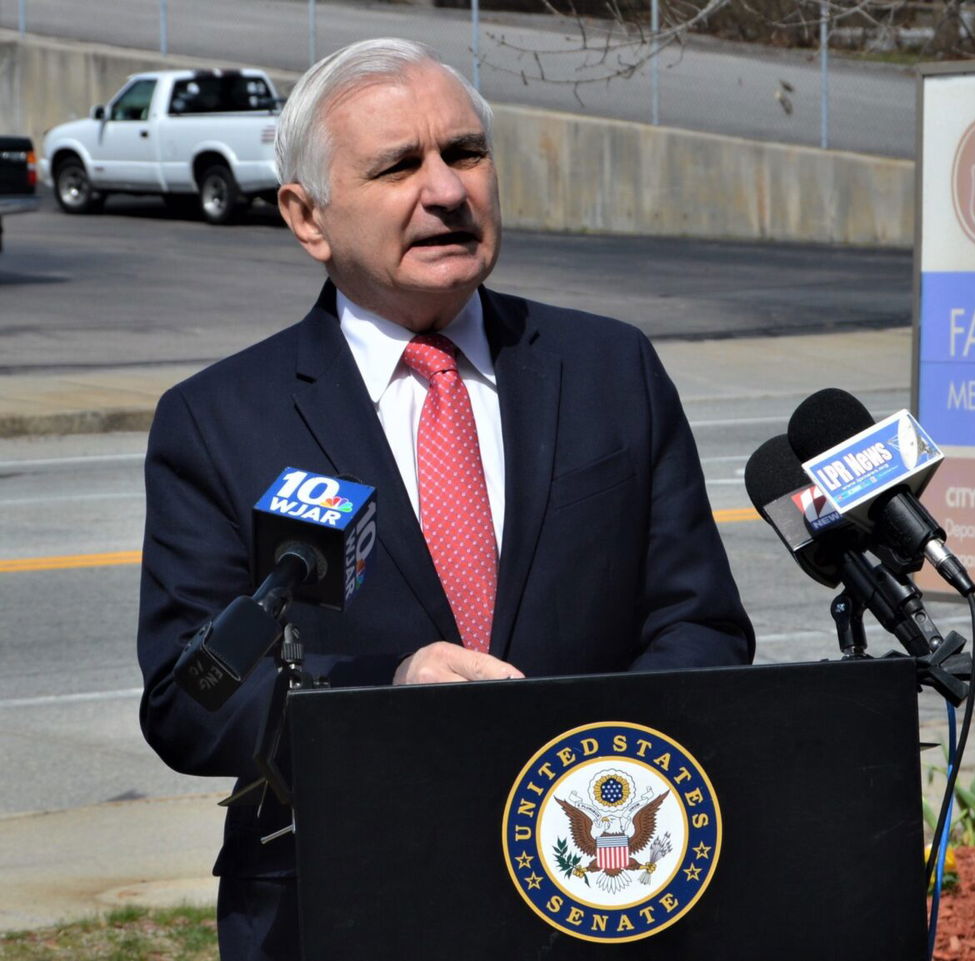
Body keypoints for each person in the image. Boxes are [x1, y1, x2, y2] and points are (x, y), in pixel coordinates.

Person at [135, 38, 754, 961]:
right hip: (345, 906)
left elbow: (700, 626)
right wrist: (387, 692)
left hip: (601, 893)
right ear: (308, 217)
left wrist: (591, 781)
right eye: (398, 165)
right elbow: (192, 699)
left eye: (465, 152)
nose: (449, 190)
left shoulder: (610, 368)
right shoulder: (218, 421)